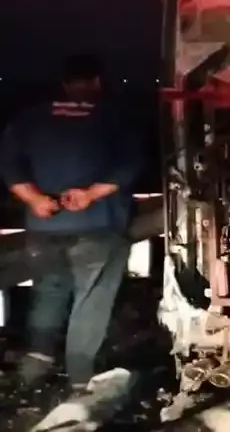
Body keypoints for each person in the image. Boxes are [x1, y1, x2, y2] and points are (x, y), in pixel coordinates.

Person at [0, 53, 142, 391]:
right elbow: (131, 164)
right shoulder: (114, 118)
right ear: (97, 82)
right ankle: (80, 376)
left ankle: (35, 365)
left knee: (48, 291)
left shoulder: (29, 118)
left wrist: (35, 199)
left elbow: (9, 166)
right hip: (98, 227)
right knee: (91, 298)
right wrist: (90, 194)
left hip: (44, 228)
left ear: (65, 84)